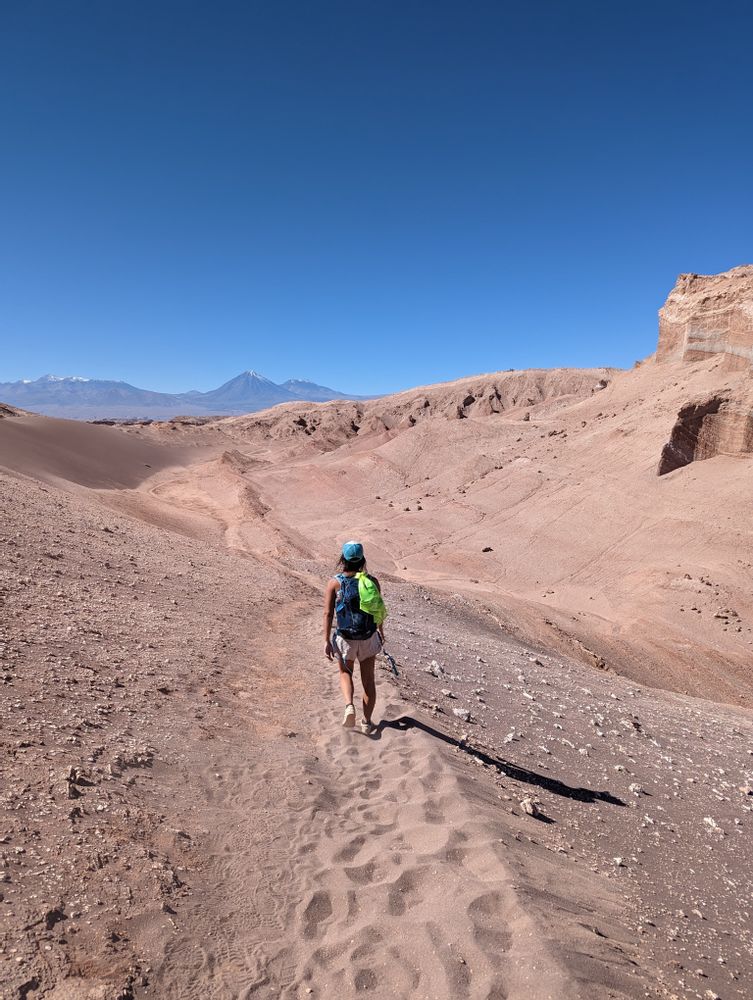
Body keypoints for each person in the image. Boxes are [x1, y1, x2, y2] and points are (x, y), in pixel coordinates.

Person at [324, 541, 386, 734]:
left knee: (345, 673)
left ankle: (349, 705)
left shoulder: (335, 583)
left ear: (343, 559)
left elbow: (328, 613)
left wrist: (326, 640)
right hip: (368, 637)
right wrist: (381, 631)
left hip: (345, 639)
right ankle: (366, 722)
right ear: (362, 559)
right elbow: (377, 610)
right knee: (368, 681)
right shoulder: (372, 582)